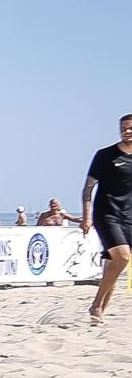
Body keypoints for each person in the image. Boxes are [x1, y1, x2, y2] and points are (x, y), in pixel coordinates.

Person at [80, 113, 132, 323]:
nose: (126, 132)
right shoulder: (105, 155)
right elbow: (87, 189)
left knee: (114, 265)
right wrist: (86, 217)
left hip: (129, 216)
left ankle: (99, 308)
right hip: (106, 214)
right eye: (123, 128)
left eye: (130, 128)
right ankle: (95, 306)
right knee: (123, 257)